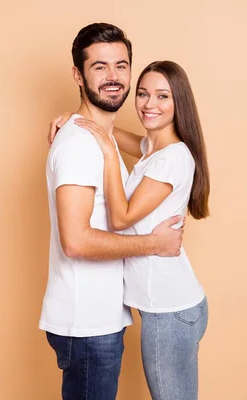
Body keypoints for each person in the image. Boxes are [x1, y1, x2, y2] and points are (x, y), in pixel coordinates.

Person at [40, 24, 186, 400]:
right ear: (78, 74)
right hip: (87, 322)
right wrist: (154, 243)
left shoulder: (95, 139)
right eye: (100, 67)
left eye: (121, 66)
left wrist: (75, 119)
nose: (113, 77)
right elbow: (75, 241)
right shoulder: (78, 147)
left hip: (99, 316)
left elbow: (143, 144)